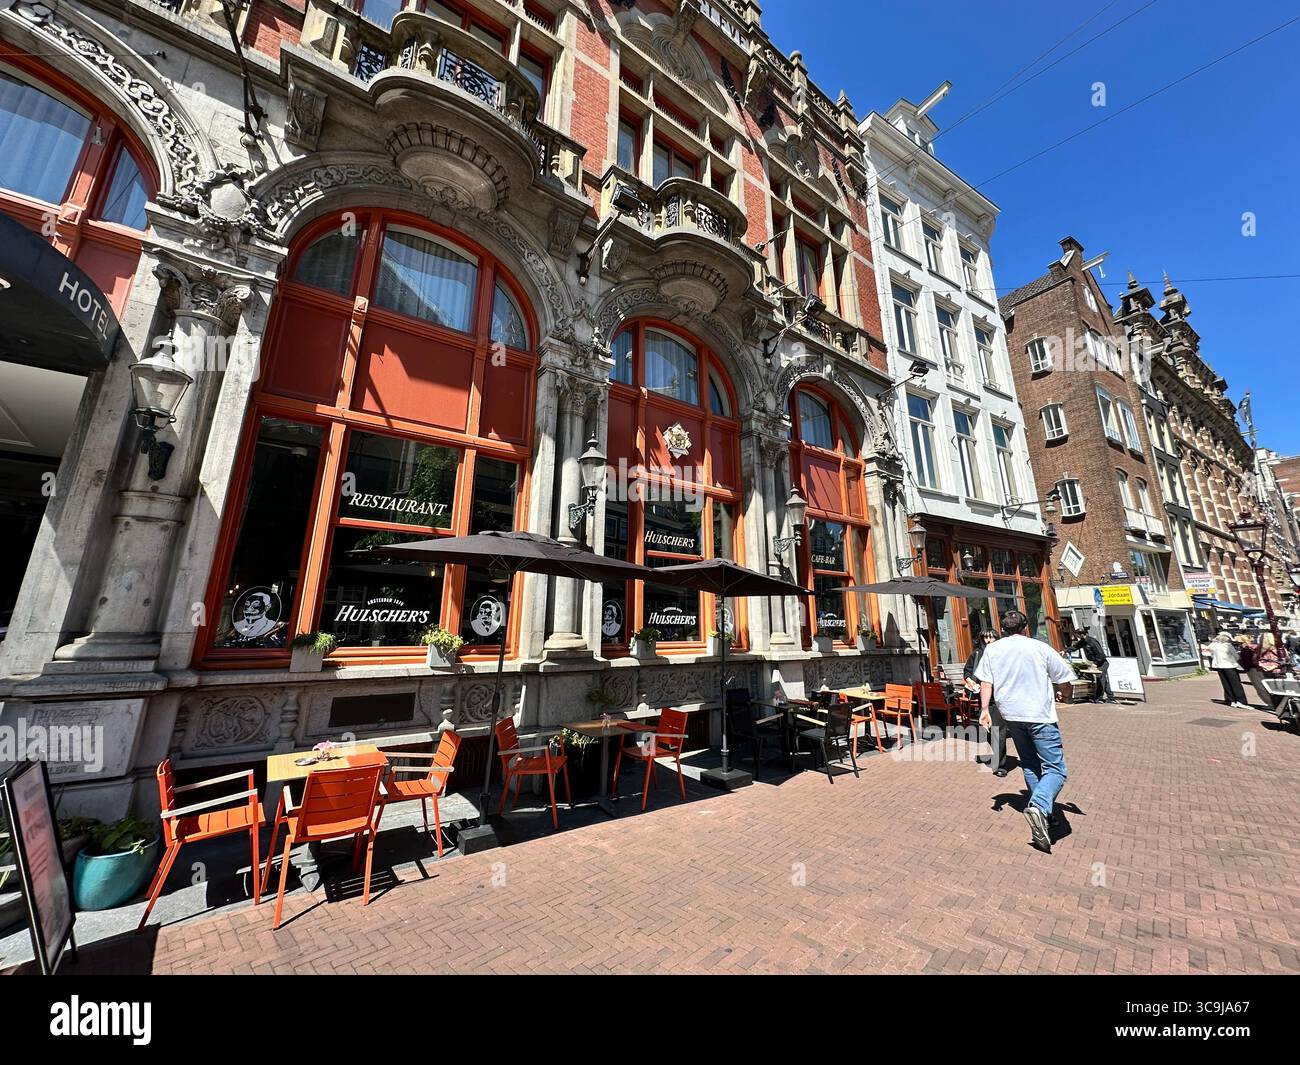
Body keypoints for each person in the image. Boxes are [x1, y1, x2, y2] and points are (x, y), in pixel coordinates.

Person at [975, 609, 1076, 854]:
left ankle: (1044, 812)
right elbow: (1064, 677)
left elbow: (985, 682)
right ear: (1025, 626)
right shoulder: (1039, 648)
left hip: (1012, 715)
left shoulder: (993, 649)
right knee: (1055, 768)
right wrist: (1067, 695)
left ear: (1003, 628)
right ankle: (1040, 807)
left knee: (1030, 764)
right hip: (1038, 715)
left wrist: (984, 709)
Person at [964, 631, 1007, 776]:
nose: (989, 640)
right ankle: (996, 754)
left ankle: (1000, 764)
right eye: (986, 637)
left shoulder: (1003, 653)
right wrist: (969, 680)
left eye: (992, 637)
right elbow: (968, 671)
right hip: (981, 695)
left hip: (998, 696)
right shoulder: (977, 653)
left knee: (998, 730)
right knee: (987, 728)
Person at [1208, 631, 1250, 709]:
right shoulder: (1228, 645)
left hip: (1219, 666)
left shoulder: (1214, 645)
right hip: (1229, 666)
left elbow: (1210, 651)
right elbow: (1236, 656)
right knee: (1236, 684)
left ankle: (1230, 700)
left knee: (1226, 683)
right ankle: (1241, 701)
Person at [1069, 630, 1114, 702]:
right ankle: (1111, 697)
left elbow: (1100, 654)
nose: (1076, 637)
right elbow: (1075, 647)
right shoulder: (1083, 642)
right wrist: (1065, 651)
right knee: (1103, 680)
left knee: (1100, 680)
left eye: (1077, 635)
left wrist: (1095, 663)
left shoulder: (1092, 641)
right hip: (1096, 662)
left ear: (1081, 635)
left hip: (1102, 663)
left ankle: (1099, 698)